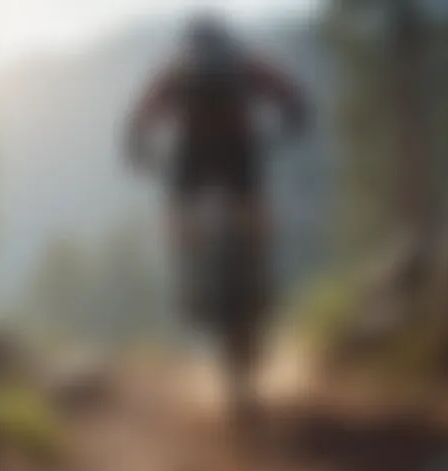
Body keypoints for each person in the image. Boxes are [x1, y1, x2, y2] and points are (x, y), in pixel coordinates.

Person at [125, 13, 310, 324]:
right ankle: (263, 275)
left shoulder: (176, 69)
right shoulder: (246, 63)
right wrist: (290, 124)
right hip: (240, 148)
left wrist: (140, 149)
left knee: (179, 210)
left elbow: (143, 115)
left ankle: (190, 282)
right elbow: (288, 95)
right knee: (253, 207)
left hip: (193, 152)